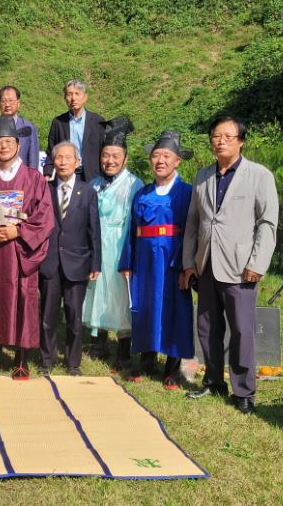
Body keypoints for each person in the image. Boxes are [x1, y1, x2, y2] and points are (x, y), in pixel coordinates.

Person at [183, 117, 278, 413]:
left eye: (227, 136)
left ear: (241, 141)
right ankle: (213, 381)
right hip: (206, 264)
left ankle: (244, 391)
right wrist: (189, 262)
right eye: (216, 136)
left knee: (242, 330)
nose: (220, 141)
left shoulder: (259, 175)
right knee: (207, 326)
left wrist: (258, 263)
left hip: (241, 267)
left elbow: (267, 223)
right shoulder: (202, 175)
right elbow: (193, 223)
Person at [0, 116, 54, 379]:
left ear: (19, 146)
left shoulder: (33, 179)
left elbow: (44, 217)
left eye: (9, 142)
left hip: (20, 253)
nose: (4, 146)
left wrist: (18, 231)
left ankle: (21, 359)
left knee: (22, 301)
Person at [119, 131, 194, 389]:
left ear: (177, 161)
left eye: (166, 156)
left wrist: (186, 266)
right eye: (156, 156)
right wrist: (127, 262)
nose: (160, 161)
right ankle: (146, 360)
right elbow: (132, 230)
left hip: (173, 260)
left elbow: (192, 232)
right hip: (144, 261)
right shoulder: (142, 194)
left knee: (175, 310)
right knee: (145, 307)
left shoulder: (187, 193)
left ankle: (172, 368)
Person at [82, 117, 143, 368]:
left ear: (125, 159)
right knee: (96, 292)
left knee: (120, 296)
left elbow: (134, 223)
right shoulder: (93, 184)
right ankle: (98, 343)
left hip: (120, 246)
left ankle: (124, 348)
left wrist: (129, 255)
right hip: (98, 248)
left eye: (115, 156)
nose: (109, 160)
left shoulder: (134, 185)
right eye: (105, 155)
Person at [39, 141, 101, 376]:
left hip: (78, 262)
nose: (63, 162)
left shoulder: (88, 191)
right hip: (50, 261)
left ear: (77, 162)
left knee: (74, 316)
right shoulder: (45, 189)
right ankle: (47, 359)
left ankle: (73, 362)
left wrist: (96, 262)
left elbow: (94, 229)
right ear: (53, 162)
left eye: (68, 158)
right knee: (47, 316)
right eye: (59, 157)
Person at [45, 80, 105, 181]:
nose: (73, 98)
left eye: (77, 94)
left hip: (93, 177)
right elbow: (51, 151)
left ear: (85, 97)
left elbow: (104, 151)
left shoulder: (98, 121)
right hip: (66, 175)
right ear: (65, 98)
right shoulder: (58, 122)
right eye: (69, 94)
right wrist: (47, 174)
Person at [0, 86, 41, 173]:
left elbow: (33, 159)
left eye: (11, 101)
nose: (7, 105)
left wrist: (31, 178)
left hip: (21, 179)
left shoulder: (29, 128)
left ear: (18, 103)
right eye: (3, 101)